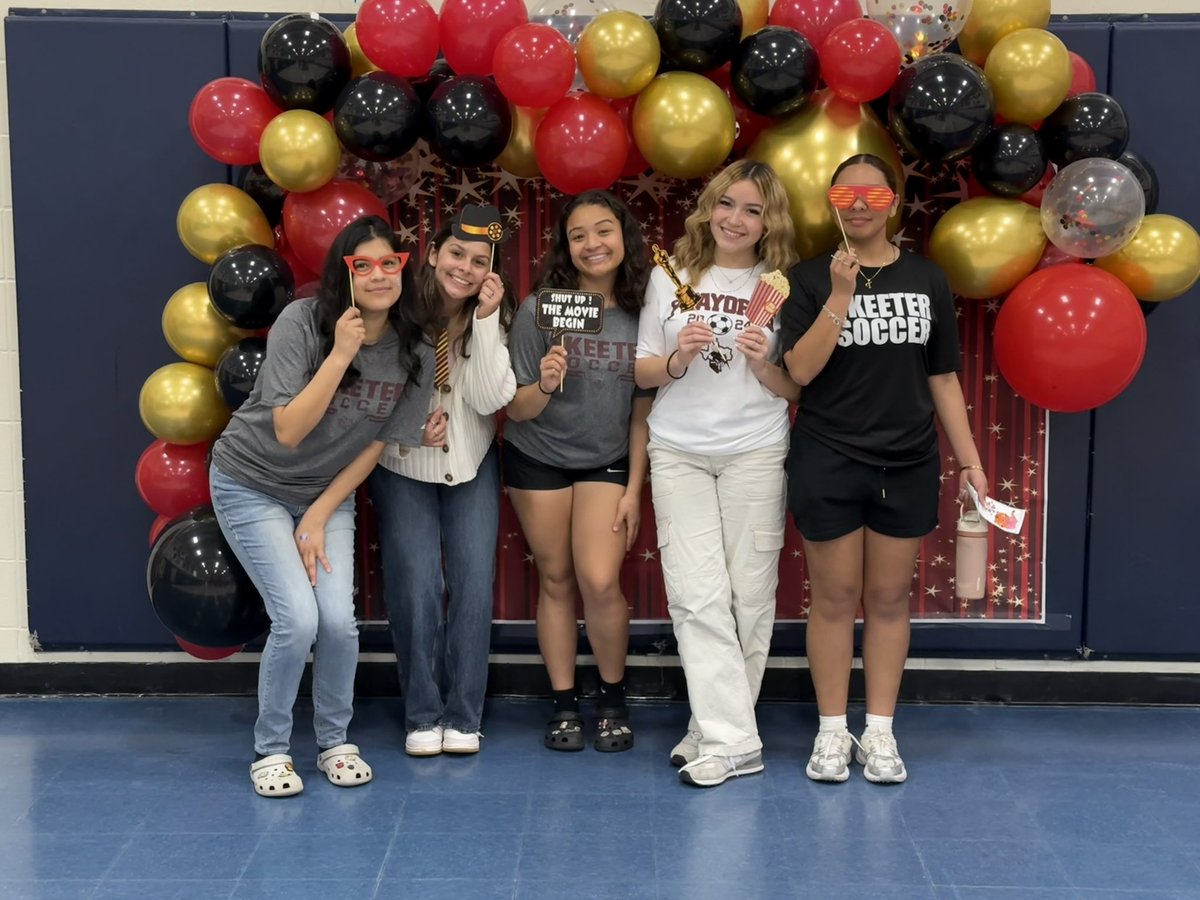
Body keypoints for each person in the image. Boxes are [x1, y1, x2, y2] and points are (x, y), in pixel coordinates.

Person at [209, 215, 437, 797]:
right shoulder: (304, 322)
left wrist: (318, 513)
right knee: (298, 620)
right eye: (364, 265)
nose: (380, 274)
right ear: (346, 272)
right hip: (251, 479)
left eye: (392, 263)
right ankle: (273, 750)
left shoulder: (415, 345)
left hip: (325, 495)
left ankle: (334, 741)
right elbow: (287, 430)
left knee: (338, 621)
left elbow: (378, 443)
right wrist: (340, 354)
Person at [781, 153, 988, 784]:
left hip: (908, 461)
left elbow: (944, 377)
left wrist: (971, 461)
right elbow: (799, 371)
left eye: (873, 195)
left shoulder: (927, 279)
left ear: (894, 201)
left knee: (890, 598)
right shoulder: (808, 278)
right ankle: (830, 733)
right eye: (846, 197)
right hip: (829, 456)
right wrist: (841, 297)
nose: (861, 205)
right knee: (836, 599)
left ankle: (880, 732)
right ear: (832, 206)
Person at [634, 159, 800, 788]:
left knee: (749, 599)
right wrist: (678, 357)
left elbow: (794, 384)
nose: (736, 219)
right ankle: (736, 742)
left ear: (769, 222)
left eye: (753, 210)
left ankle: (715, 730)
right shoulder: (671, 274)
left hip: (756, 449)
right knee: (695, 595)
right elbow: (642, 370)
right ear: (709, 207)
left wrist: (763, 367)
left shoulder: (781, 285)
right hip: (677, 449)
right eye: (728, 204)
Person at [504, 190, 652, 754]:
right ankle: (565, 704)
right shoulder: (539, 309)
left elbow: (642, 410)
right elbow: (515, 409)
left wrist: (635, 490)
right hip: (536, 454)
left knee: (598, 579)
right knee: (557, 578)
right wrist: (544, 381)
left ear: (623, 237)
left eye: (604, 230)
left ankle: (613, 699)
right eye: (579, 235)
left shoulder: (644, 313)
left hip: (608, 459)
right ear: (566, 248)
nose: (593, 244)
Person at [369, 207, 517, 757]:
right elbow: (368, 396)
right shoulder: (399, 311)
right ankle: (422, 712)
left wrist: (483, 320)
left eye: (480, 261)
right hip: (402, 464)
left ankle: (464, 714)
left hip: (471, 462)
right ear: (432, 254)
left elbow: (488, 399)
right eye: (457, 253)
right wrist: (409, 432)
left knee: (473, 586)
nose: (466, 268)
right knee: (417, 586)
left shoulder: (494, 315)